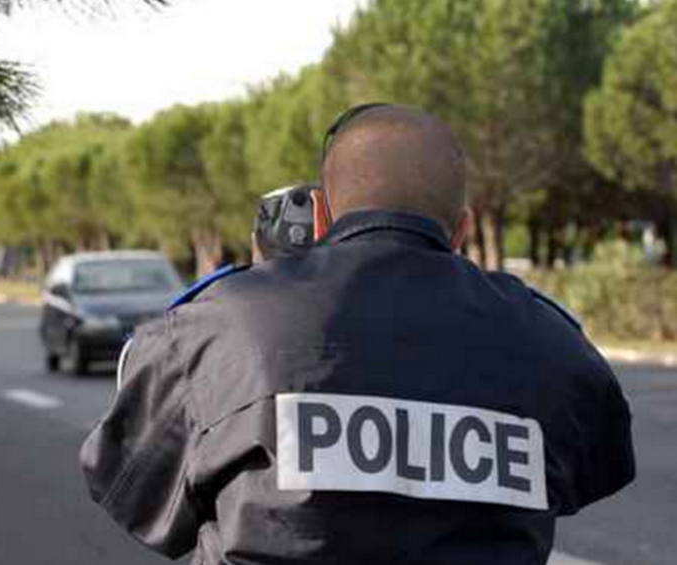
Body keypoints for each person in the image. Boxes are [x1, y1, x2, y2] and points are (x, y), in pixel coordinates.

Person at [80, 104, 635, 564]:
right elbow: (594, 470)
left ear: (321, 216)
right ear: (463, 229)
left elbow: (138, 492)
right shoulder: (550, 341)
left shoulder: (220, 324)